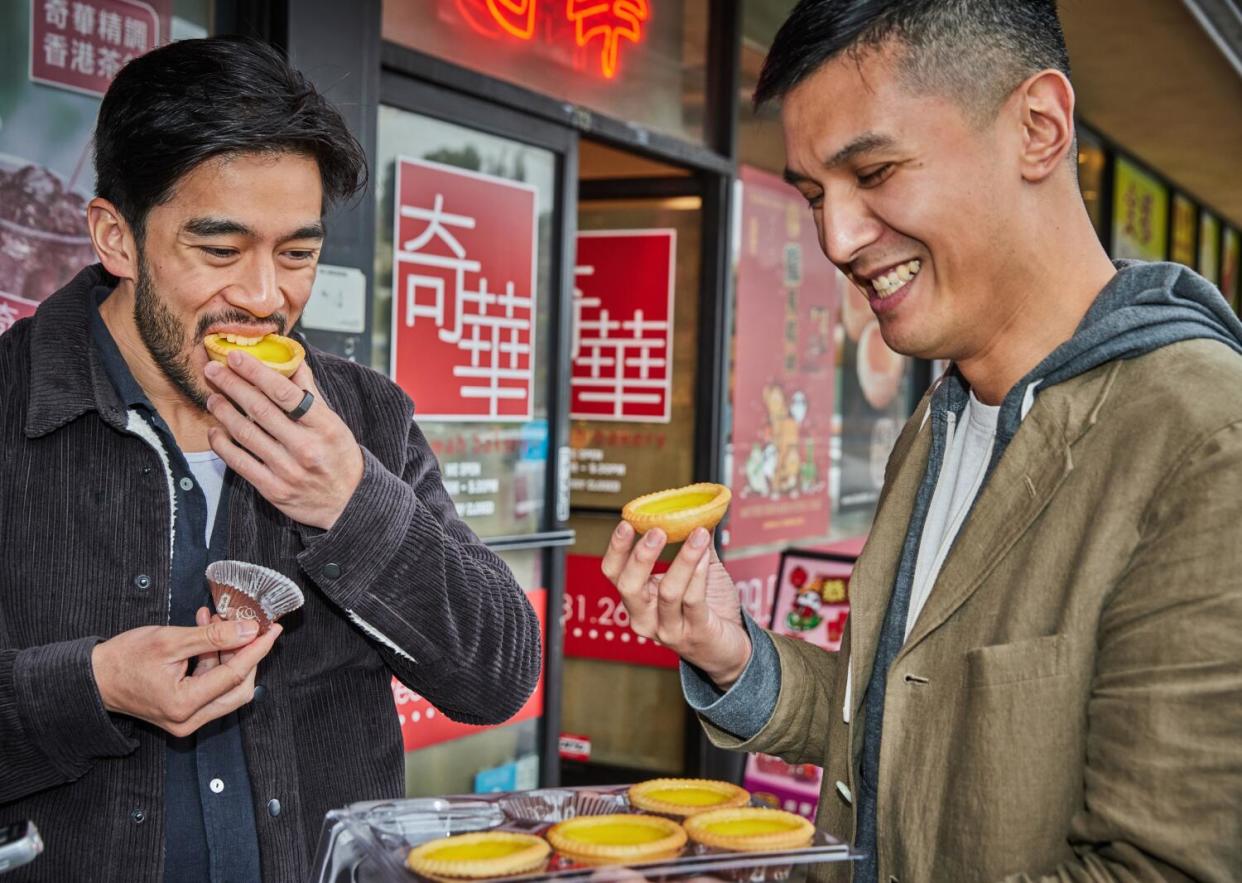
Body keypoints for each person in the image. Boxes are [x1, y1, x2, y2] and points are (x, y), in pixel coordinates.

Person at [603, 2, 1242, 881]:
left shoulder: (1208, 438)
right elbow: (907, 718)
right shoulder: (939, 418)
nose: (837, 237)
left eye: (875, 170)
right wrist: (734, 653)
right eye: (817, 194)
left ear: (1039, 128)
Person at [0, 36, 541, 882]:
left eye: (297, 253)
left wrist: (353, 503)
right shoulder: (10, 406)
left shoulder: (363, 415)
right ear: (116, 237)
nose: (263, 297)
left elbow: (498, 674)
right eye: (220, 251)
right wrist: (93, 684)